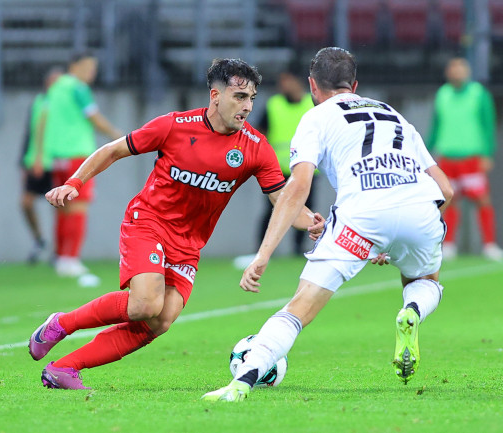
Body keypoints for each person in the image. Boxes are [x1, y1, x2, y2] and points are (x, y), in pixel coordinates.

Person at [28, 58, 323, 390]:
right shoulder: (175, 126)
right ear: (215, 96)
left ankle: (64, 368)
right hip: (148, 222)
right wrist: (74, 182)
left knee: (160, 320)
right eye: (240, 97)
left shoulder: (255, 148)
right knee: (145, 304)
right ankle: (60, 324)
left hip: (189, 243)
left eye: (252, 98)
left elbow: (283, 199)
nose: (248, 107)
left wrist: (314, 223)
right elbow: (113, 150)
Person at [202, 47, 454, 402]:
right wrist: (397, 234)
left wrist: (263, 254)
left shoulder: (316, 117)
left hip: (361, 216)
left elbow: (297, 188)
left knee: (298, 309)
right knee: (425, 281)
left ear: (312, 86)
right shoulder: (393, 115)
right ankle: (412, 311)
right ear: (355, 85)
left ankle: (241, 383)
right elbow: (446, 189)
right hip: (420, 208)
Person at [43, 51, 122, 277]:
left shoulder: (56, 87)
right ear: (74, 66)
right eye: (87, 67)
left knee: (62, 208)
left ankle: (60, 256)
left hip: (58, 155)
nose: (91, 72)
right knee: (79, 207)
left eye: (93, 68)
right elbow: (94, 117)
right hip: (78, 155)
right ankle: (71, 259)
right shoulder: (78, 88)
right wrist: (116, 135)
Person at [234, 68, 315, 269]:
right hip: (278, 169)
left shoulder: (311, 104)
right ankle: (261, 250)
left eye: (287, 80)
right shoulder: (274, 104)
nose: (283, 85)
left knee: (305, 208)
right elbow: (260, 133)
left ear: (298, 81)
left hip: (306, 168)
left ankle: (300, 250)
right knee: (272, 209)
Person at [428, 57, 503, 261]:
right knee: (449, 201)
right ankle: (449, 245)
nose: (457, 72)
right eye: (453, 68)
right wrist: (427, 152)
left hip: (471, 157)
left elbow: (488, 125)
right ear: (448, 72)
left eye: (461, 68)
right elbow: (436, 125)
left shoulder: (479, 94)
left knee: (482, 200)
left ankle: (489, 244)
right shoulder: (442, 94)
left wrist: (488, 153)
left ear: (468, 72)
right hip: (447, 157)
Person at [19, 67, 63, 264]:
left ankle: (60, 251)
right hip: (37, 162)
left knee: (60, 207)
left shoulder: (63, 105)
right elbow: (32, 132)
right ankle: (39, 239)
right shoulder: (39, 102)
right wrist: (28, 160)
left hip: (56, 161)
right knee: (26, 203)